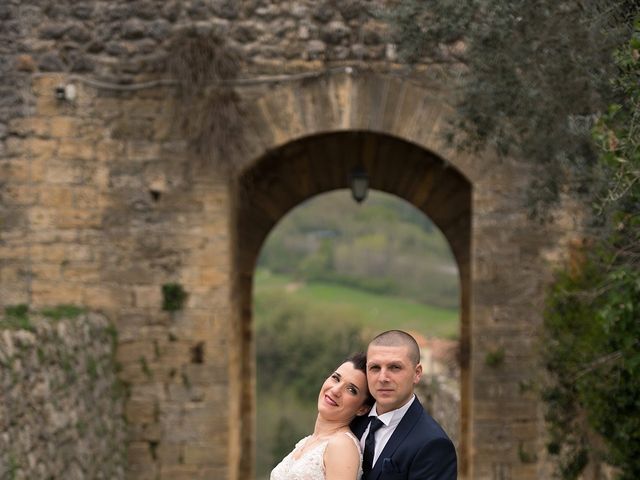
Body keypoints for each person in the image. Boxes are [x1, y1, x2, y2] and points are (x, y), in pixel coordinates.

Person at [351, 330, 457, 479]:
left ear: (417, 373)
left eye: (395, 367)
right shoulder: (353, 419)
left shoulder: (433, 444)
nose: (383, 378)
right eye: (375, 368)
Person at [270, 352, 376, 480]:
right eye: (336, 378)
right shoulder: (307, 442)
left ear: (362, 409)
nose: (335, 390)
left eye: (351, 390)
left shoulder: (342, 445)